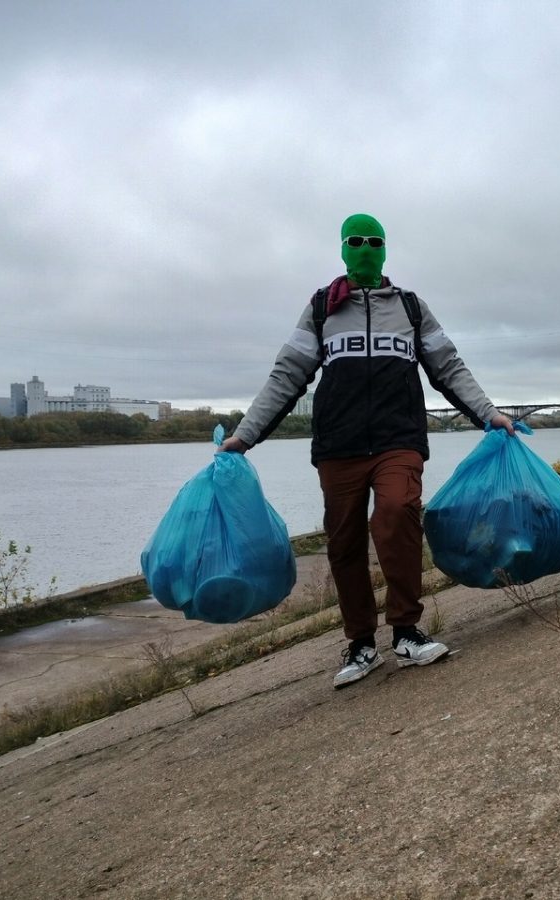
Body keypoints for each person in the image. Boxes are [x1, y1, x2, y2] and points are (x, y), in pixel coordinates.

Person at [220, 213, 513, 688]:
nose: (365, 248)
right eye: (355, 241)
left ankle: (406, 630)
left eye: (374, 241)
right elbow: (287, 376)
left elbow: (449, 368)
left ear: (385, 249)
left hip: (399, 439)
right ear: (341, 248)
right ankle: (360, 643)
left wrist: (489, 413)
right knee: (344, 541)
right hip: (339, 445)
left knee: (397, 512)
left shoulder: (412, 309)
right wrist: (244, 436)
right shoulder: (321, 309)